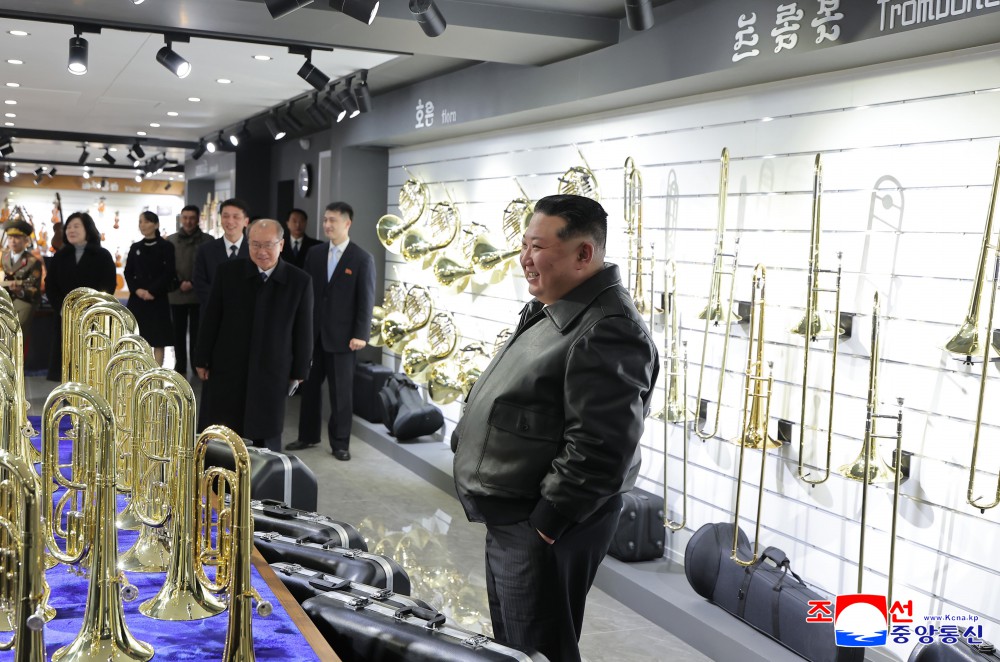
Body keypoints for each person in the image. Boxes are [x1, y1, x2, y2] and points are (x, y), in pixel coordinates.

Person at [450, 194, 659, 662]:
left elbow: (601, 447)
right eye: (524, 245)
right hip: (518, 519)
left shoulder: (608, 328)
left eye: (538, 247)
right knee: (516, 647)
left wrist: (547, 524)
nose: (524, 258)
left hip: (539, 528)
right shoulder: (558, 306)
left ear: (584, 254)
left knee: (538, 649)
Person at [194, 219, 313, 452]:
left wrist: (300, 371)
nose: (262, 251)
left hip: (272, 369)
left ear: (281, 245)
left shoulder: (299, 281)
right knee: (223, 432)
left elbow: (304, 331)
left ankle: (263, 473)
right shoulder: (227, 272)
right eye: (255, 244)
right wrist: (201, 357)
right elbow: (211, 318)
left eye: (268, 245)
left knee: (265, 432)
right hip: (228, 365)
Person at [287, 201, 375, 461]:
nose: (327, 224)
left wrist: (361, 334)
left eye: (332, 220)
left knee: (341, 395)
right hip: (314, 336)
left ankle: (340, 443)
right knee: (309, 390)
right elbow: (307, 295)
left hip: (345, 339)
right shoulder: (314, 253)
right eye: (325, 220)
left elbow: (366, 300)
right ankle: (307, 436)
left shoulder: (362, 258)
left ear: (347, 223)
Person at [44, 211, 117, 381]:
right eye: (68, 227)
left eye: (76, 226)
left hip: (94, 319)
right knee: (65, 369)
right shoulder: (60, 256)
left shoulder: (102, 255)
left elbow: (108, 285)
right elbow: (50, 286)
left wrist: (91, 309)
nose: (71, 230)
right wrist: (62, 309)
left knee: (91, 370)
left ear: (88, 229)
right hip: (64, 318)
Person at [124, 211, 176, 366]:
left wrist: (152, 291)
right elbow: (128, 272)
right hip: (138, 299)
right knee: (137, 337)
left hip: (157, 298)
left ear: (156, 224)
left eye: (146, 221)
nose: (142, 225)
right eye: (140, 222)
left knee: (158, 339)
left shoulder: (166, 246)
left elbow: (169, 272)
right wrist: (137, 290)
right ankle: (138, 370)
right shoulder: (135, 247)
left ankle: (156, 372)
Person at [168, 205, 213, 375]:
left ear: (198, 219)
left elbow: (209, 267)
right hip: (176, 292)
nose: (188, 221)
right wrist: (179, 282)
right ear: (181, 219)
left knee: (198, 332)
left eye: (192, 218)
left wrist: (194, 282)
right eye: (185, 218)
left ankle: (197, 363)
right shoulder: (171, 240)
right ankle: (180, 364)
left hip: (199, 294)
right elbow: (168, 267)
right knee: (177, 332)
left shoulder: (208, 240)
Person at [192, 198, 250, 308]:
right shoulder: (205, 250)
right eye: (225, 216)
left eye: (236, 217)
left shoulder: (254, 250)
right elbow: (199, 283)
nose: (230, 221)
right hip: (212, 311)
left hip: (246, 311)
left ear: (246, 222)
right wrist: (221, 304)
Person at [1, 216, 43, 334]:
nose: (13, 241)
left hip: (23, 300)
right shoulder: (3, 258)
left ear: (26, 241)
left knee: (15, 330)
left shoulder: (33, 262)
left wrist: (20, 291)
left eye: (17, 237)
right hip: (3, 298)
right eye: (10, 238)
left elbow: (34, 289)